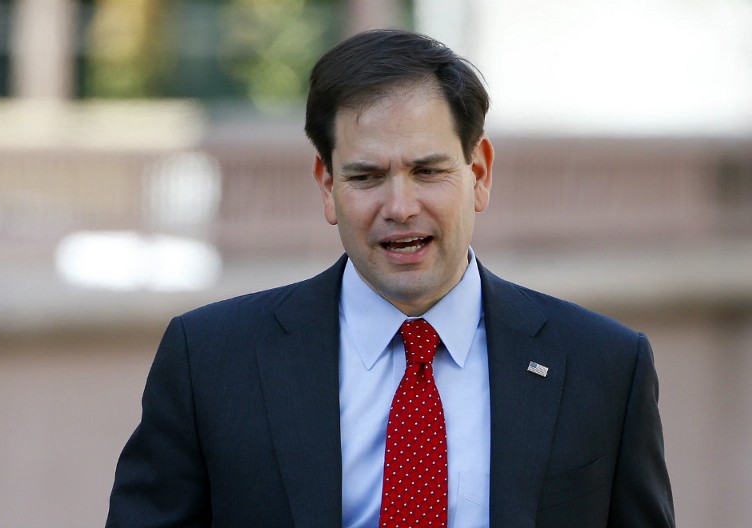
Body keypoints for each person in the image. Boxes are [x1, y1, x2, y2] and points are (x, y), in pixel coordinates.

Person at [106, 29, 675, 528]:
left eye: (428, 171)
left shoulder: (604, 367)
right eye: (366, 176)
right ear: (327, 186)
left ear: (478, 174)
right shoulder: (209, 360)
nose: (400, 206)